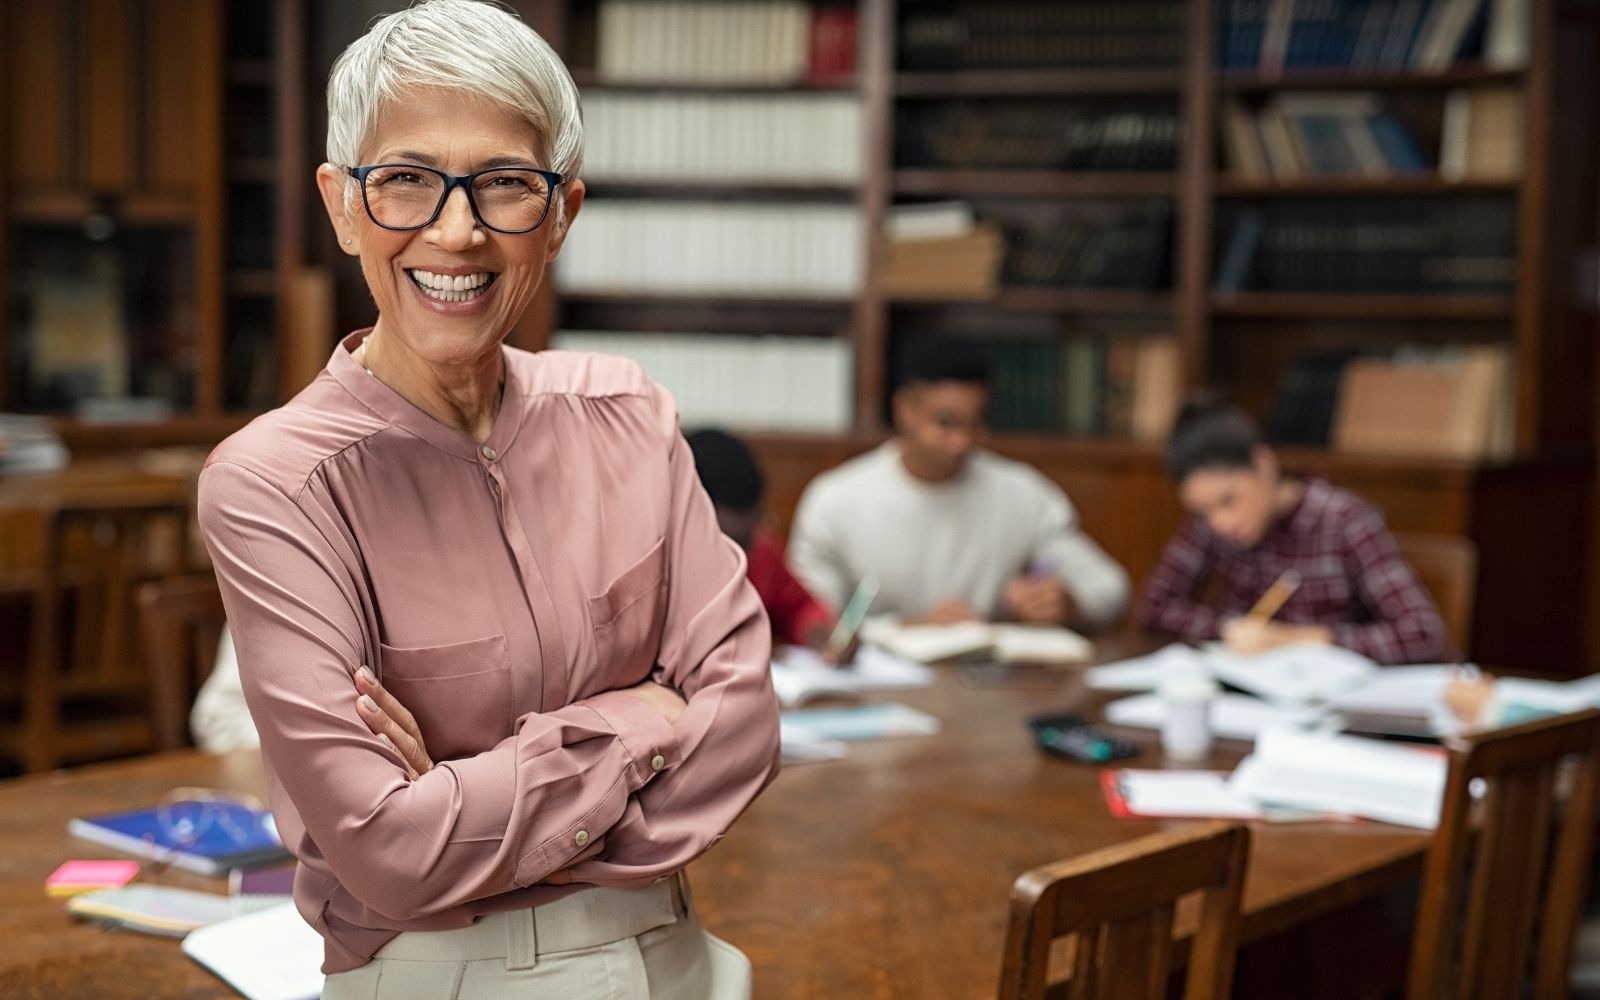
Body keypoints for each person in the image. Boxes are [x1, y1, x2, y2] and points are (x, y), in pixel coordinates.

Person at [196, 3, 779, 996]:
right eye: (407, 182)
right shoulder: (273, 483)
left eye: (506, 184)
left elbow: (747, 729)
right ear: (342, 204)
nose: (455, 231)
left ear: (562, 213)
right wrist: (644, 717)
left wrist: (466, 794)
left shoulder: (630, 415)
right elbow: (389, 851)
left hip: (679, 956)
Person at [786, 336, 1129, 630]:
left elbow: (1111, 588)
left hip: (989, 690)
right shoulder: (835, 499)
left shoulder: (1022, 493)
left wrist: (1069, 605)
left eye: (975, 424)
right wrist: (909, 628)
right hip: (877, 692)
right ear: (905, 408)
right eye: (945, 423)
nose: (961, 442)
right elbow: (810, 620)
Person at [1136, 399, 1446, 664]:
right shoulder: (1209, 527)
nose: (1221, 523)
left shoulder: (1343, 519)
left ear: (1264, 464)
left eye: (1228, 500)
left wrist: (1298, 639)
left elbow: (1423, 632)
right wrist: (1229, 628)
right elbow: (1154, 607)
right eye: (1203, 512)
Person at [685, 428, 842, 655]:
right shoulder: (654, 567)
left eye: (757, 518)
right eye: (733, 542)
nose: (746, 554)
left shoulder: (761, 548)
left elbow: (800, 607)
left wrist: (820, 631)